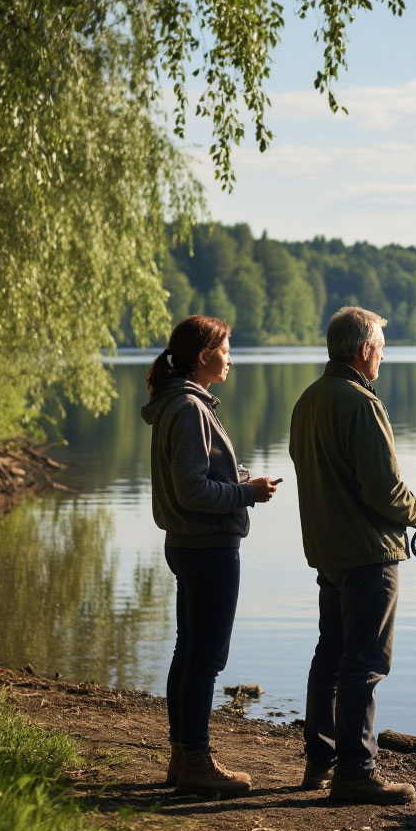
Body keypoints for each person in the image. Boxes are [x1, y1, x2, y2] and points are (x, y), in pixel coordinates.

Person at [289, 306, 416, 804]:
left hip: (328, 552)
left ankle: (319, 761)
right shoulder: (361, 403)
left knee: (330, 656)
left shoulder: (308, 400)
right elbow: (383, 490)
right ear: (362, 350)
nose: (382, 357)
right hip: (369, 555)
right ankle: (356, 771)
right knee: (366, 662)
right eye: (380, 348)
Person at [142, 314, 280, 797]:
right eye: (226, 349)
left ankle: (182, 759)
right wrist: (246, 492)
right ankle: (196, 761)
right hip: (207, 546)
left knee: (190, 651)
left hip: (190, 544)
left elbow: (195, 480)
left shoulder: (183, 403)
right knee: (206, 658)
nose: (231, 357)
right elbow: (193, 489)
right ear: (204, 356)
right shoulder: (188, 408)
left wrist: (236, 480)